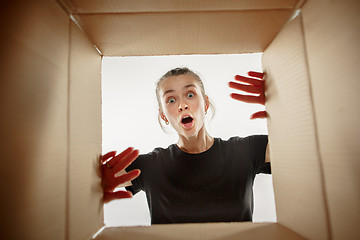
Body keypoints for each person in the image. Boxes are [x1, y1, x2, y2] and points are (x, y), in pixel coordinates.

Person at [101, 67, 271, 224]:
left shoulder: (245, 151)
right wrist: (97, 181)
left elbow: (295, 147)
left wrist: (279, 103)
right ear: (164, 116)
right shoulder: (150, 166)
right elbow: (87, 183)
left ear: (205, 104)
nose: (182, 105)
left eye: (190, 95)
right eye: (171, 100)